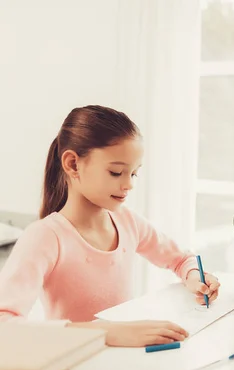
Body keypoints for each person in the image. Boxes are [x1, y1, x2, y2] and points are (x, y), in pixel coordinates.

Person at [0, 105, 220, 347]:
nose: (128, 185)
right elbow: (5, 324)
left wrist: (194, 277)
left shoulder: (128, 222)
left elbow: (180, 259)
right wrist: (105, 333)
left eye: (134, 174)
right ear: (73, 164)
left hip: (125, 359)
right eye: (116, 172)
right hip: (77, 368)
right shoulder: (46, 237)